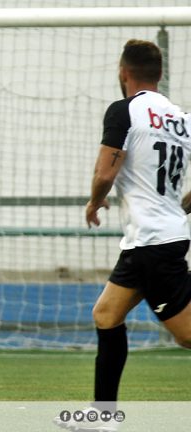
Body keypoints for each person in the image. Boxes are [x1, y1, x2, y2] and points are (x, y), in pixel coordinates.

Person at [57, 39, 191, 430]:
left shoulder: (124, 110)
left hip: (152, 242)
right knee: (106, 314)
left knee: (186, 337)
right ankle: (104, 416)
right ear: (160, 74)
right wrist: (180, 205)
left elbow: (105, 172)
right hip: (153, 238)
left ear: (123, 72)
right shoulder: (182, 117)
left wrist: (94, 202)